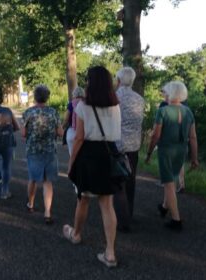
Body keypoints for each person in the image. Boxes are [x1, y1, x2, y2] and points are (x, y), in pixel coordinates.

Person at [64, 66, 121, 268]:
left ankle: (76, 234)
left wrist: (71, 164)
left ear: (90, 82)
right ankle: (110, 253)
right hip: (109, 153)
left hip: (89, 155)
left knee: (84, 199)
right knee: (107, 204)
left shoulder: (83, 106)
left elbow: (79, 138)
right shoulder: (116, 105)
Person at [145, 81, 199, 231]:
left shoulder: (163, 111)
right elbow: (193, 137)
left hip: (166, 151)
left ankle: (176, 220)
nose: (164, 95)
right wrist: (194, 158)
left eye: (165, 92)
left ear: (170, 94)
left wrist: (149, 153)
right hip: (181, 151)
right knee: (172, 180)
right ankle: (164, 207)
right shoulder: (188, 112)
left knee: (168, 184)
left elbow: (155, 135)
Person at [22, 85, 63, 224]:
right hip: (50, 150)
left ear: (35, 97)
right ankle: (47, 213)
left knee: (33, 179)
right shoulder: (53, 112)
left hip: (33, 150)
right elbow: (60, 132)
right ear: (47, 97)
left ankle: (31, 204)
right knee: (47, 181)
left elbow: (23, 133)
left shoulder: (28, 113)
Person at [113, 67, 145, 231]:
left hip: (117, 145)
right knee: (131, 180)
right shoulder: (140, 99)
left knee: (118, 182)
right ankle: (129, 213)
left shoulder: (114, 98)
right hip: (134, 145)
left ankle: (121, 218)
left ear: (118, 80)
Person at [159, 87, 188, 193]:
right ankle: (181, 184)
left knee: (168, 163)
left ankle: (169, 185)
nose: (163, 95)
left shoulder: (163, 106)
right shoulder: (185, 107)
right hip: (182, 139)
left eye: (164, 92)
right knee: (180, 163)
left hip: (168, 139)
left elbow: (159, 125)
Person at [62, 87, 85, 155]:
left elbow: (66, 119)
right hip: (85, 132)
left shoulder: (71, 104)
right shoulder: (86, 103)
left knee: (73, 155)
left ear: (74, 94)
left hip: (72, 132)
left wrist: (62, 127)